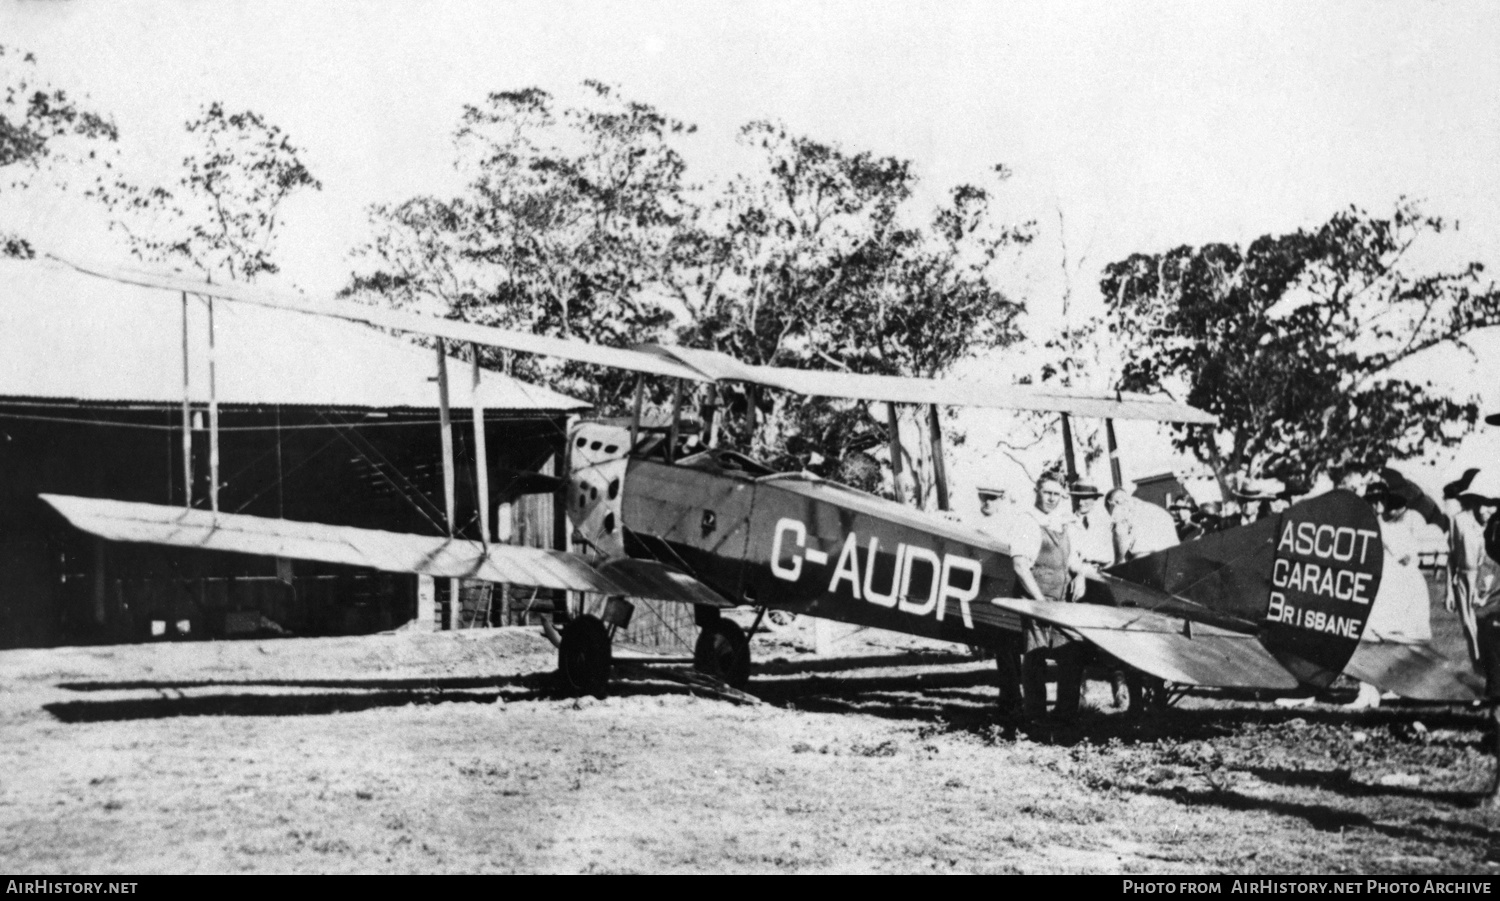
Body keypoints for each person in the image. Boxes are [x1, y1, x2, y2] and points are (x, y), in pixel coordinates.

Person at [1005, 475, 1100, 718]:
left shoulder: (1062, 523)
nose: (1051, 498)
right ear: (1036, 491)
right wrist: (1038, 601)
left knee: (1071, 655)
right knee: (1035, 657)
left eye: (1056, 494)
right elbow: (1020, 566)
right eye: (1047, 492)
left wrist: (1079, 576)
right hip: (1036, 600)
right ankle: (1036, 716)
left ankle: (1064, 715)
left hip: (1062, 601)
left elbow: (1073, 560)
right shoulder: (1027, 521)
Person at [1105, 489, 1180, 562]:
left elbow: (1140, 554)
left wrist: (1118, 562)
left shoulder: (1131, 512)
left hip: (1155, 560)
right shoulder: (1145, 507)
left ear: (1115, 503)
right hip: (1173, 559)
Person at [1070, 479, 1115, 570]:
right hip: (1078, 573)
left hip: (1106, 570)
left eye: (1085, 498)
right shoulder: (1066, 524)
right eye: (1077, 498)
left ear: (1094, 498)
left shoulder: (1105, 522)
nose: (1080, 503)